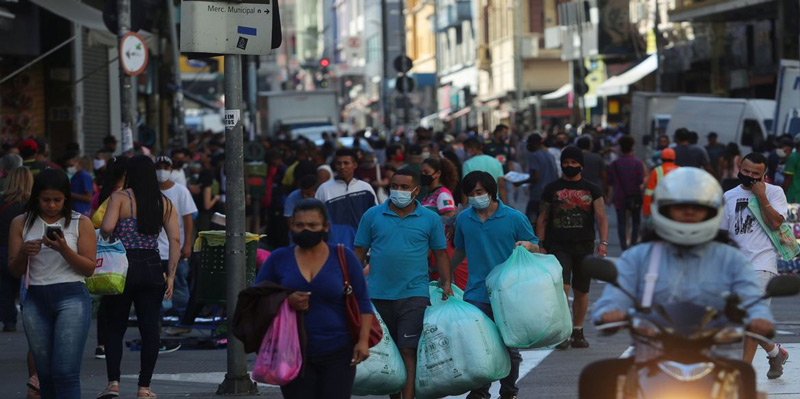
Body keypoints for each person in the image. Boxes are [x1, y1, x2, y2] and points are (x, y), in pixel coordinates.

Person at [589, 168, 775, 399]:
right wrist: (610, 313)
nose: (689, 212)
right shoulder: (638, 256)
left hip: (710, 358)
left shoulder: (730, 259)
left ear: (711, 212)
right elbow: (613, 297)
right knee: (595, 375)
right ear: (664, 209)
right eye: (680, 206)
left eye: (698, 207)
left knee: (745, 375)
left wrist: (759, 319)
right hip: (648, 358)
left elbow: (751, 296)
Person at [255, 199, 373, 399]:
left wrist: (363, 341)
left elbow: (363, 301)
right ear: (291, 226)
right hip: (291, 352)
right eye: (299, 225)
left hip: (338, 351)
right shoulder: (279, 258)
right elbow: (257, 297)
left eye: (312, 225)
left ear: (325, 227)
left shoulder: (343, 256)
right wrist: (286, 300)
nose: (305, 230)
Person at [354, 168, 452, 399]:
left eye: (404, 187)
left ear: (416, 191)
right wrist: (350, 282)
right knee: (388, 351)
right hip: (377, 294)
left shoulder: (430, 218)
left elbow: (440, 253)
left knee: (408, 349)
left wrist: (446, 281)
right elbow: (358, 252)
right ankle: (395, 395)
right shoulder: (372, 215)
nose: (398, 191)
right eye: (394, 186)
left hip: (414, 294)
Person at [8, 168, 97, 399]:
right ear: (36, 197)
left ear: (66, 198)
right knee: (44, 374)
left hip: (72, 297)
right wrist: (24, 254)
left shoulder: (81, 222)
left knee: (65, 372)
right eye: (46, 200)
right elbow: (14, 270)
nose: (51, 205)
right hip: (35, 299)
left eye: (57, 200)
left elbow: (88, 268)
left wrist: (64, 249)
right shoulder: (21, 222)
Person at [450, 171, 539, 399]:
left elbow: (536, 245)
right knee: (480, 345)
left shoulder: (514, 217)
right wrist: (445, 276)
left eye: (479, 192)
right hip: (476, 292)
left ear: (491, 192)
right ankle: (480, 391)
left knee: (509, 346)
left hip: (508, 293)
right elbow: (459, 250)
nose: (475, 197)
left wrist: (528, 246)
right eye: (470, 194)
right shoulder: (463, 219)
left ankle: (509, 391)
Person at [99, 155, 180, 399]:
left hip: (122, 267)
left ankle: (113, 383)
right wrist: (171, 277)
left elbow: (106, 228)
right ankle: (144, 388)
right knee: (150, 329)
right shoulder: (164, 203)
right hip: (152, 266)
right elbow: (175, 240)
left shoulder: (119, 198)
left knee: (115, 327)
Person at [720, 153, 790, 379]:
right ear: (739, 168)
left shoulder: (774, 192)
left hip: (762, 264)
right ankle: (775, 352)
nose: (749, 176)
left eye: (755, 174)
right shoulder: (728, 196)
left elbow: (776, 223)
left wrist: (762, 198)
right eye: (746, 171)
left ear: (764, 175)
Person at [537, 146, 609, 349]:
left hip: (584, 246)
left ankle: (578, 330)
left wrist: (603, 243)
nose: (569, 166)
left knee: (581, 290)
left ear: (581, 166)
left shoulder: (592, 189)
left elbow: (602, 217)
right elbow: (542, 217)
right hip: (558, 245)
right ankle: (564, 331)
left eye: (573, 163)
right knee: (562, 288)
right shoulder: (551, 189)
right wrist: (540, 244)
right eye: (566, 162)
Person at [154, 156, 197, 333]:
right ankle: (156, 323)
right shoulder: (149, 191)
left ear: (171, 170)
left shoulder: (181, 191)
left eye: (166, 167)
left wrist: (188, 244)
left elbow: (188, 220)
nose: (162, 170)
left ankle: (184, 322)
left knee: (179, 286)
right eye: (159, 167)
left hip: (175, 249)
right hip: (154, 250)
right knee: (155, 289)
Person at [315, 149, 378, 249]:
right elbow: (317, 218)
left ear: (355, 165)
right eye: (338, 163)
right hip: (333, 248)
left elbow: (375, 218)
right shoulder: (324, 189)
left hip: (362, 248)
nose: (342, 167)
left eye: (346, 163)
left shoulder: (366, 188)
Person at [0, 167, 33, 332]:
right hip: (25, 249)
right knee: (27, 285)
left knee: (5, 288)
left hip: (2, 249)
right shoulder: (32, 204)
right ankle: (32, 317)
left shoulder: (2, 200)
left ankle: (9, 320)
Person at [608, 136, 646, 251]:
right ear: (632, 147)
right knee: (636, 221)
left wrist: (609, 198)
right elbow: (640, 180)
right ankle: (633, 243)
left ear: (620, 148)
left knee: (622, 223)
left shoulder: (614, 164)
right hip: (635, 195)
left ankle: (623, 246)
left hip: (620, 196)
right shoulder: (638, 163)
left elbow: (611, 182)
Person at [462, 137, 507, 203]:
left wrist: (464, 207)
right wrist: (504, 206)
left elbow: (465, 187)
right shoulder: (496, 162)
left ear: (472, 149)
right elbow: (501, 186)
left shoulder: (467, 164)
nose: (465, 153)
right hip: (493, 204)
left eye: (466, 150)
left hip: (474, 205)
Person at [643, 148, 678, 217]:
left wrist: (646, 210)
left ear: (661, 158)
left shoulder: (656, 171)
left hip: (660, 205)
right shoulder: (680, 170)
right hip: (676, 206)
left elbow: (649, 192)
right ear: (674, 158)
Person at [782, 135, 800, 202]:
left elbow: (787, 178)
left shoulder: (792, 157)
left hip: (793, 196)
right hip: (793, 196)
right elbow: (788, 178)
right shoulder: (793, 157)